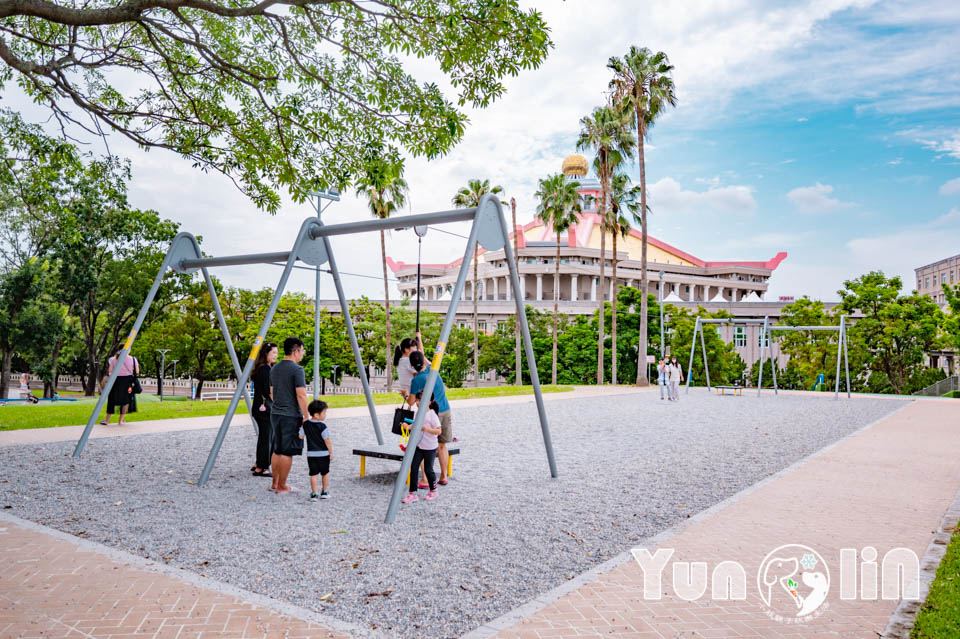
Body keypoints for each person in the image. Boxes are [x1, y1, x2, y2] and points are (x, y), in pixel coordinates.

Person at [270, 336, 310, 494]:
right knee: (287, 451)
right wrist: (307, 416)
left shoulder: (275, 368)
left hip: (275, 413)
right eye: (302, 351)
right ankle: (282, 486)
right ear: (296, 351)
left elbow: (271, 392)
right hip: (290, 415)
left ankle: (275, 483)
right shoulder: (297, 370)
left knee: (277, 449)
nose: (302, 354)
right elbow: (301, 395)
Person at [407, 350, 452, 485]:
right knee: (442, 445)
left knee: (422, 446)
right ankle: (443, 476)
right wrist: (419, 339)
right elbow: (423, 356)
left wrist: (404, 395)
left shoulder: (416, 380)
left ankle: (425, 479)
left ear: (412, 366)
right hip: (444, 410)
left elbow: (411, 401)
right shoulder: (434, 370)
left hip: (427, 414)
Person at [401, 391, 441, 504]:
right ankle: (412, 493)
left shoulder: (432, 415)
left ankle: (434, 490)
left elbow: (439, 431)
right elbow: (416, 424)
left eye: (419, 400)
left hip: (430, 447)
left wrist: (427, 429)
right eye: (417, 400)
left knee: (429, 470)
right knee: (413, 468)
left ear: (429, 402)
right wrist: (408, 427)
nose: (417, 402)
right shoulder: (419, 413)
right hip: (419, 446)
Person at [251, 341, 278, 477]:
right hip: (265, 408)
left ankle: (258, 464)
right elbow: (270, 391)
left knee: (264, 436)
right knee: (267, 437)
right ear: (266, 353)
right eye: (273, 352)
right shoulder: (266, 369)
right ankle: (263, 467)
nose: (275, 355)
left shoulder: (261, 368)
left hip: (259, 407)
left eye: (277, 353)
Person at [300, 399, 332, 501]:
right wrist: (331, 452)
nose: (325, 415)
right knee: (325, 473)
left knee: (313, 474)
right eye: (324, 413)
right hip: (324, 454)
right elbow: (327, 440)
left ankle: (314, 494)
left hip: (311, 454)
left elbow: (300, 436)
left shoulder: (305, 425)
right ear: (317, 415)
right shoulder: (322, 426)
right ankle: (324, 492)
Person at [100, 353, 139, 425]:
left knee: (112, 399)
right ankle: (121, 420)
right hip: (128, 382)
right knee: (126, 400)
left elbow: (110, 371)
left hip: (115, 381)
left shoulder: (114, 359)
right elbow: (137, 371)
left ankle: (107, 420)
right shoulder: (133, 359)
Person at [394, 331, 424, 399]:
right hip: (412, 392)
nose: (416, 350)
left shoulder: (402, 360)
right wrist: (419, 338)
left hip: (409, 391)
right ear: (406, 349)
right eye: (414, 347)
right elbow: (420, 374)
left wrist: (419, 338)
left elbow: (421, 357)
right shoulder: (407, 361)